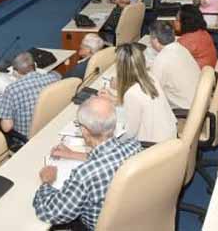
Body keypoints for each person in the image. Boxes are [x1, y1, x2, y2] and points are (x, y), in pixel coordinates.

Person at [33, 97, 142, 230]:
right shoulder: (135, 146)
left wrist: (46, 182)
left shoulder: (84, 175)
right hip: (132, 220)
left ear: (84, 130)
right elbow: (108, 158)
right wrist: (72, 154)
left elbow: (50, 212)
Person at [102, 43, 176, 143]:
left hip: (153, 146)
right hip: (169, 137)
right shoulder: (151, 77)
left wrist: (111, 139)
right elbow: (141, 103)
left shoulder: (132, 93)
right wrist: (114, 99)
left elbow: (130, 133)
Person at [0, 51, 62, 137]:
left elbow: (6, 127)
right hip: (52, 126)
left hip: (27, 136)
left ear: (15, 71)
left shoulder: (12, 90)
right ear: (35, 65)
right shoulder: (54, 78)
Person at [149, 21, 201, 109]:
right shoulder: (181, 49)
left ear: (155, 40)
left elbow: (151, 92)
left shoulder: (162, 60)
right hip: (198, 103)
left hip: (185, 111)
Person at [177, 5, 217, 69]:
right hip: (209, 72)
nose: (175, 22)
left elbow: (173, 59)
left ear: (184, 22)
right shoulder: (204, 32)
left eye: (177, 20)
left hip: (199, 75)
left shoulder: (185, 42)